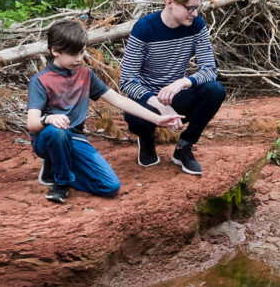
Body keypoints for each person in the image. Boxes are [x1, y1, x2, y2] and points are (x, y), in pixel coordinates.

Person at [28, 19, 183, 204]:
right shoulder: (40, 81)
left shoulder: (85, 74)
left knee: (110, 187)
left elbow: (118, 100)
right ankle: (61, 184)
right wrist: (49, 119)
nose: (79, 58)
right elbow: (32, 123)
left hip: (75, 138)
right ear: (55, 51)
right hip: (48, 138)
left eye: (82, 52)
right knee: (57, 132)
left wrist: (157, 119)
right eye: (73, 54)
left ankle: (59, 165)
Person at [118, 0, 227, 176]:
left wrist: (182, 83)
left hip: (176, 97)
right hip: (147, 101)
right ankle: (147, 138)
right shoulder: (144, 29)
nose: (194, 13)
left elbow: (209, 70)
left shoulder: (196, 26)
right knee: (136, 117)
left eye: (197, 7)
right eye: (190, 8)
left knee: (215, 90)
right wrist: (159, 105)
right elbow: (127, 81)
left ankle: (184, 146)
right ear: (170, 3)